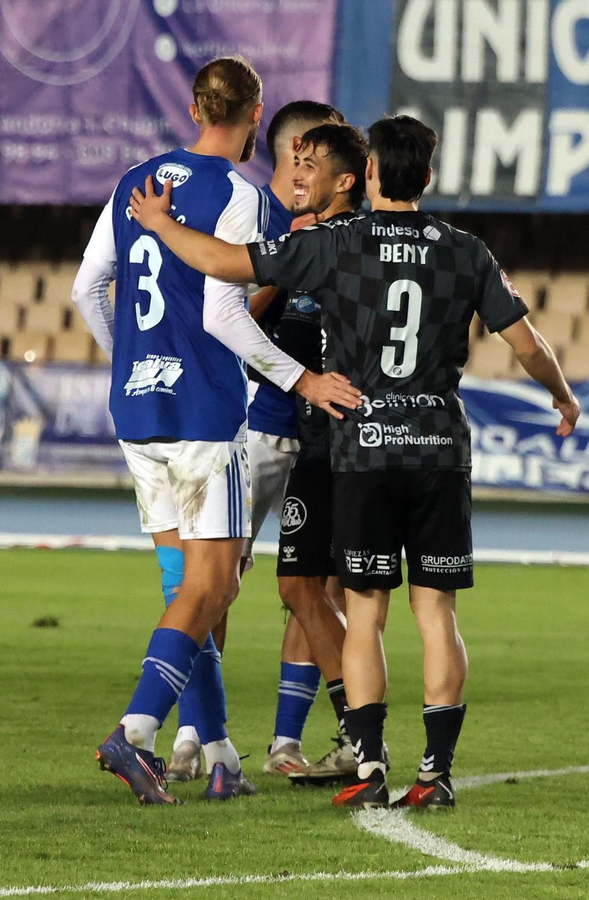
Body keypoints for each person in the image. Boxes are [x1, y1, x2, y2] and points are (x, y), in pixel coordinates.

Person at [127, 114, 580, 810]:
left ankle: (369, 768)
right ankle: (436, 773)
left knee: (363, 611)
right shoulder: (466, 251)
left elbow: (222, 264)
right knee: (437, 613)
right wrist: (563, 397)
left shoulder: (338, 242)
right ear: (427, 177)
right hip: (438, 451)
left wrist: (159, 223)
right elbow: (525, 342)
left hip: (363, 449)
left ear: (368, 176)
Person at [69, 56, 360, 804]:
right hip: (203, 414)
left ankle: (221, 751)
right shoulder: (243, 196)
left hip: (137, 411)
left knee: (186, 585)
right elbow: (222, 314)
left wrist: (131, 359)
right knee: (216, 583)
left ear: (196, 108)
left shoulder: (135, 179)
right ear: (254, 114)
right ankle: (135, 732)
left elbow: (85, 287)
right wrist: (300, 378)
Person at [160, 98, 348, 783]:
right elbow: (227, 312)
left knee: (308, 586)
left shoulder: (347, 227)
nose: (320, 165)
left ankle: (286, 743)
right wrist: (285, 262)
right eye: (315, 150)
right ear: (294, 150)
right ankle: (194, 734)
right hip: (257, 424)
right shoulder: (257, 214)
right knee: (220, 580)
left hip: (325, 434)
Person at [268, 123, 372, 787]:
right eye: (292, 163)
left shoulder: (326, 242)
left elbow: (234, 288)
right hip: (327, 438)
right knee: (318, 587)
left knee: (306, 584)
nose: (295, 175)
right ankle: (355, 734)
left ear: (346, 181)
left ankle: (361, 735)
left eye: (308, 166)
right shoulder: (322, 240)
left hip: (338, 440)